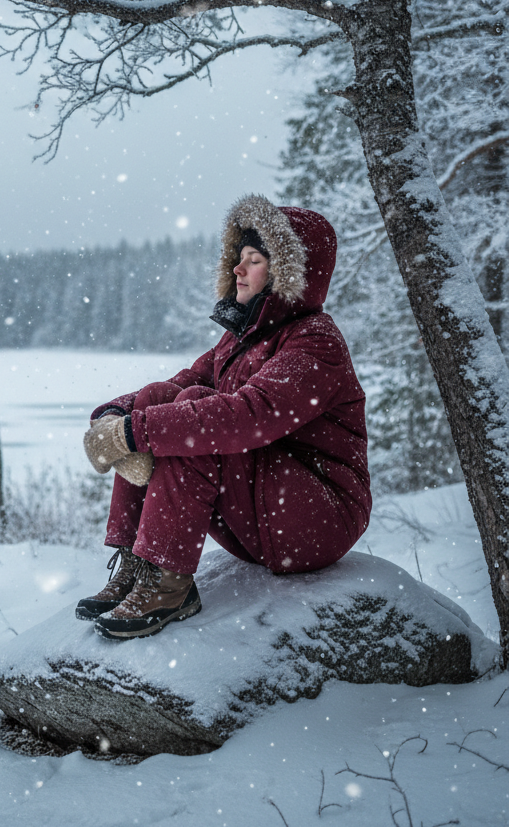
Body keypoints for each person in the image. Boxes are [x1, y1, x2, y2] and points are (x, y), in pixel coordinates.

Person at [77, 194, 371, 640]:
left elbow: (249, 417)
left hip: (319, 517)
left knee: (195, 416)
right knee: (162, 400)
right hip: (267, 507)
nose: (237, 268)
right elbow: (177, 385)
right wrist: (116, 415)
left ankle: (168, 581)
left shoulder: (316, 341)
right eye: (239, 257)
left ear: (287, 274)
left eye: (253, 260)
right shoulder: (243, 339)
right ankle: (136, 562)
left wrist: (134, 434)